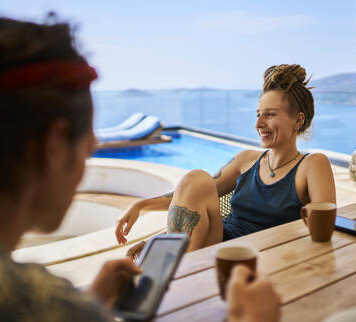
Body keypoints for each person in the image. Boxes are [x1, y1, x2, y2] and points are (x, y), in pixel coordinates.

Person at [0, 17, 280, 322]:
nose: (89, 154)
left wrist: (90, 302)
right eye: (88, 145)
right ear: (52, 146)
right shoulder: (34, 303)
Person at [116, 64, 336, 252]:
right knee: (196, 179)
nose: (258, 124)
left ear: (297, 120)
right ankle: (176, 265)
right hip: (217, 247)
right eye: (258, 114)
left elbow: (324, 230)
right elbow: (192, 194)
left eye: (270, 114)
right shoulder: (246, 160)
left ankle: (175, 271)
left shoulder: (312, 165)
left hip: (264, 257)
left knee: (196, 180)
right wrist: (141, 206)